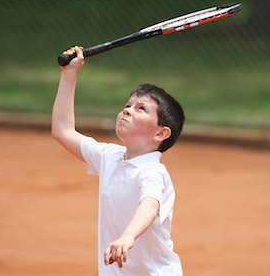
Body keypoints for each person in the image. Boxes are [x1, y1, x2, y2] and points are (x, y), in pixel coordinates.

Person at [51, 46, 185, 275]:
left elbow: (150, 205)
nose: (128, 111)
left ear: (161, 134)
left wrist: (128, 236)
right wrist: (69, 74)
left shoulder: (153, 172)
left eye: (140, 108)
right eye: (127, 105)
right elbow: (62, 130)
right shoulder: (109, 157)